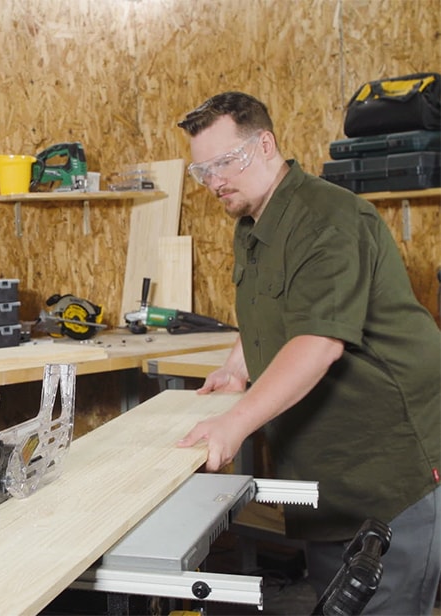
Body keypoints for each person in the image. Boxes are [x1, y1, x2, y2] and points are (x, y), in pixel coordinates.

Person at [175, 91, 441, 614]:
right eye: (201, 170)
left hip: (391, 471)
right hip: (329, 481)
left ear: (266, 144)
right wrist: (237, 366)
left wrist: (234, 423)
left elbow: (318, 344)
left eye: (225, 162)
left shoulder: (329, 220)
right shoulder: (253, 223)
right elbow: (272, 309)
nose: (213, 182)